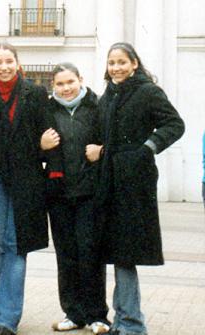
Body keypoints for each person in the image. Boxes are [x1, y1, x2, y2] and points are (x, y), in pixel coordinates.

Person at [86, 42, 185, 335]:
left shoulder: (148, 92)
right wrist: (100, 152)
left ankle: (132, 323)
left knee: (125, 253)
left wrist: (147, 148)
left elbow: (174, 124)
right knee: (117, 252)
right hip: (109, 183)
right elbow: (109, 139)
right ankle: (123, 320)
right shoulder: (107, 98)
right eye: (111, 62)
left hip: (134, 184)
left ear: (134, 64)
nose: (115, 67)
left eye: (121, 62)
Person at [0, 42, 49, 335]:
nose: (4, 66)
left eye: (9, 60)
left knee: (15, 244)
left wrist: (42, 147)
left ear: (17, 63)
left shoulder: (35, 93)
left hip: (26, 179)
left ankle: (7, 317)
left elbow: (46, 134)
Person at [41, 62, 110, 334]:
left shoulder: (97, 107)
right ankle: (73, 313)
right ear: (53, 86)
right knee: (66, 255)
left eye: (70, 82)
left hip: (89, 195)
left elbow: (111, 141)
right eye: (60, 84)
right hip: (59, 195)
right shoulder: (47, 111)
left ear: (80, 80)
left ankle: (97, 316)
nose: (66, 88)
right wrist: (41, 146)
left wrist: (102, 150)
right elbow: (33, 148)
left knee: (90, 254)